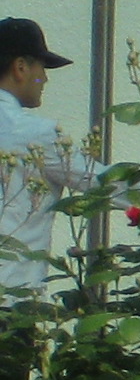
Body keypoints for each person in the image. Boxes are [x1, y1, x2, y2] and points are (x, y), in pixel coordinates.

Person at [0, 18, 85, 292]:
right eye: (42, 68)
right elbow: (101, 181)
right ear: (21, 68)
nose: (45, 78)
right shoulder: (35, 134)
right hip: (12, 299)